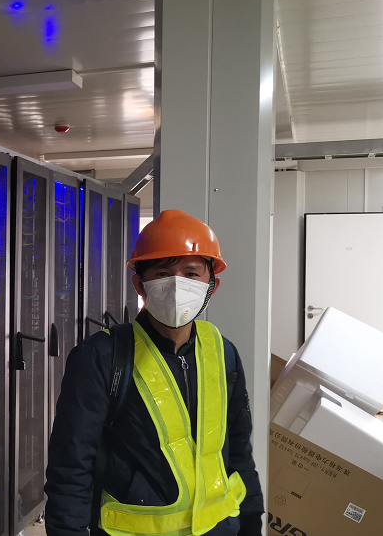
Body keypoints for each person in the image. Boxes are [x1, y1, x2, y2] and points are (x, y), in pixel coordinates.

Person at [45, 209, 263, 536]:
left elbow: (239, 449)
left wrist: (251, 520)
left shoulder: (223, 352)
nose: (177, 285)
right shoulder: (102, 356)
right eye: (163, 273)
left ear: (211, 285)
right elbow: (71, 466)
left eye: (191, 273)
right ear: (140, 284)